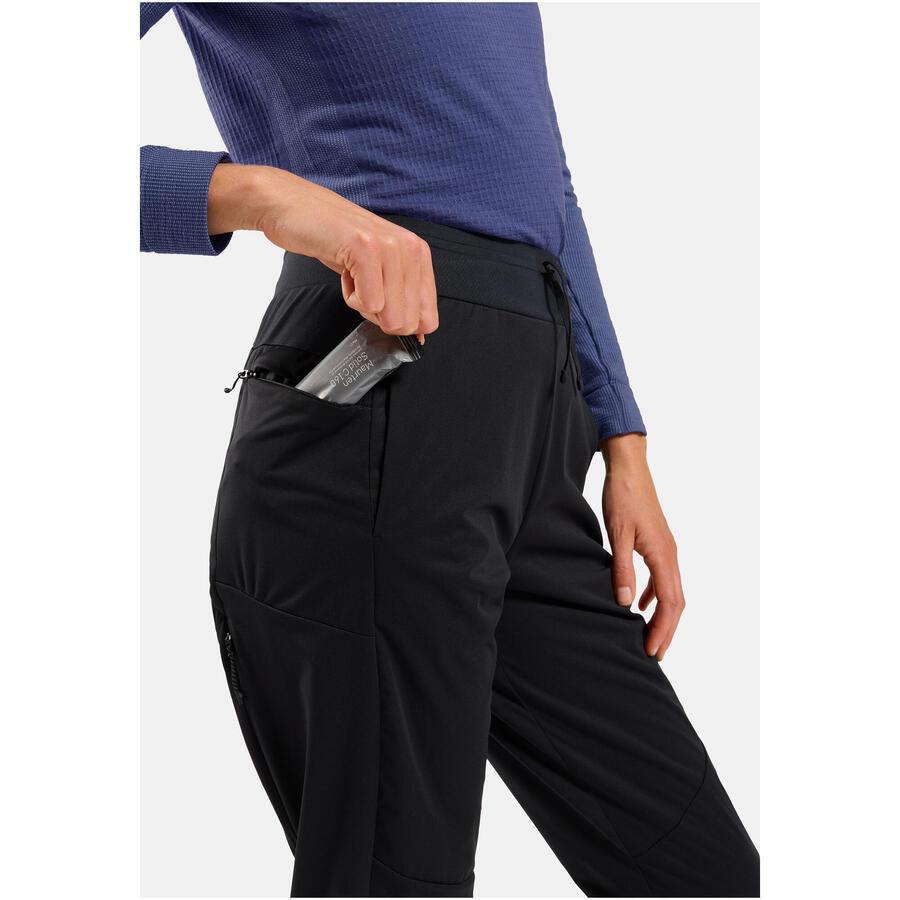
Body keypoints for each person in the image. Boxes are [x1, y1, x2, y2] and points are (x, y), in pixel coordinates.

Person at [141, 3, 759, 896]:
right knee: (397, 875)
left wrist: (622, 437)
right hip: (374, 396)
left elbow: (545, 187)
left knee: (703, 868)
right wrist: (266, 198)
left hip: (538, 433)